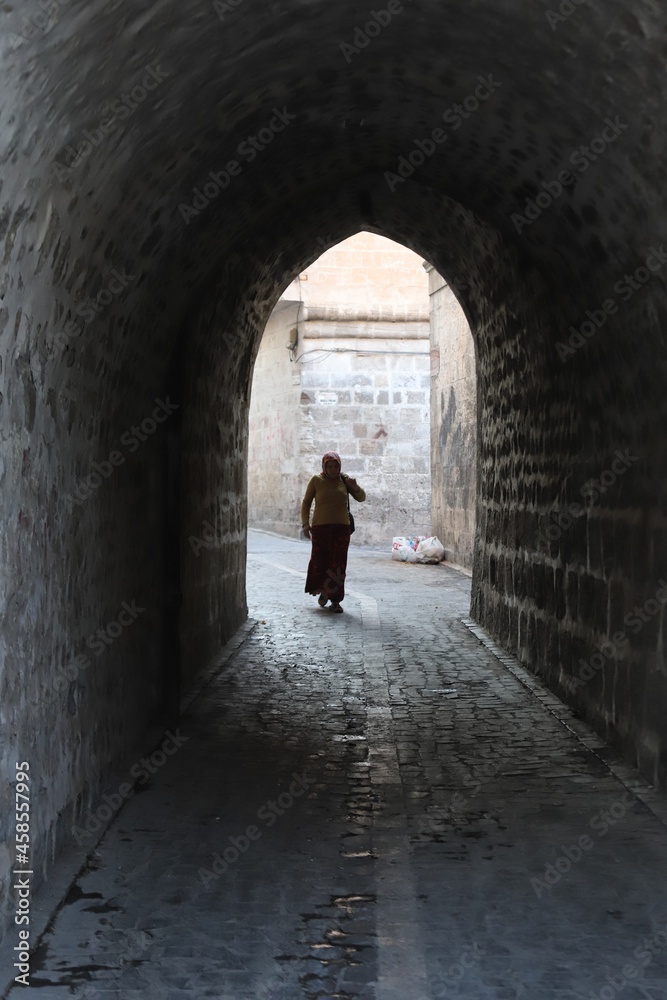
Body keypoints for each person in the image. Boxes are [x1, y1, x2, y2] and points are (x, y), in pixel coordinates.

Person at [301, 451, 366, 613]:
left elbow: (362, 497)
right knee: (320, 561)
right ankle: (323, 591)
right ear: (324, 466)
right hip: (320, 529)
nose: (333, 469)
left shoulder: (344, 481)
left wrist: (355, 487)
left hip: (341, 529)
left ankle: (335, 600)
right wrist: (305, 524)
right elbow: (306, 502)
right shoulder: (316, 480)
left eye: (336, 466)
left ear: (339, 466)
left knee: (338, 565)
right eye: (329, 466)